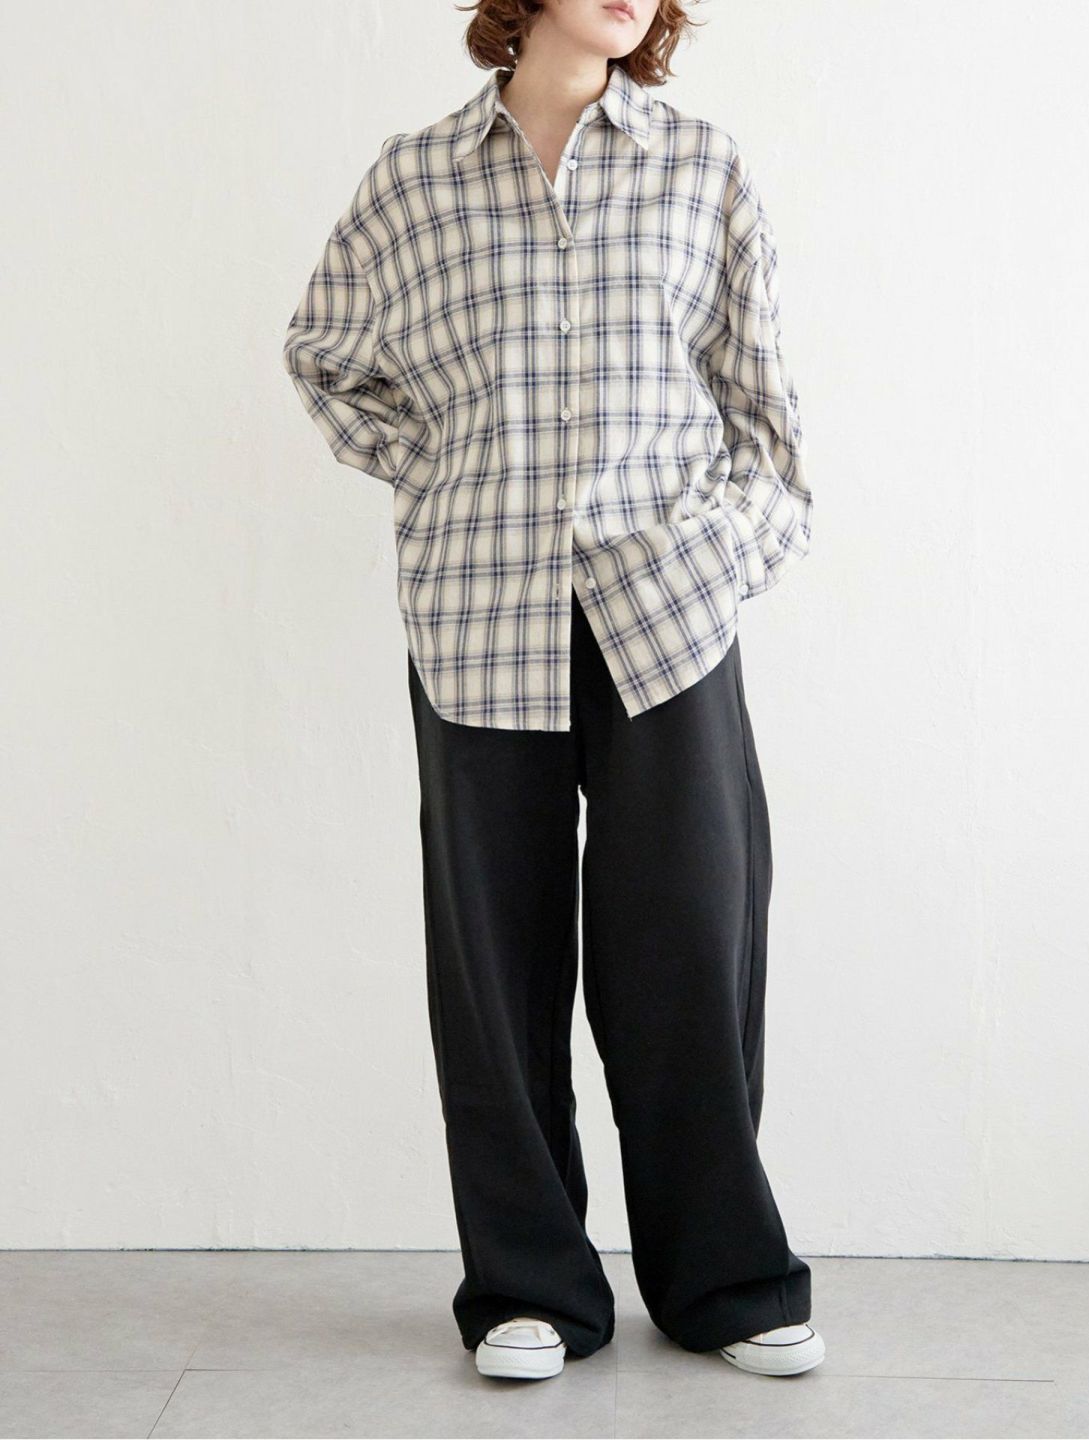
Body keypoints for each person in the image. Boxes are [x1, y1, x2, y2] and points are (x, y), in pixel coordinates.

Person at [281, 0, 822, 1382]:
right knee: (495, 965)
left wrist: (722, 558)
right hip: (480, 614)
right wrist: (440, 475)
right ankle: (527, 1284)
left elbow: (766, 419)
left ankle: (725, 1281)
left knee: (689, 946)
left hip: (666, 614)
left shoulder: (700, 166)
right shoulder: (415, 180)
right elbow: (326, 357)